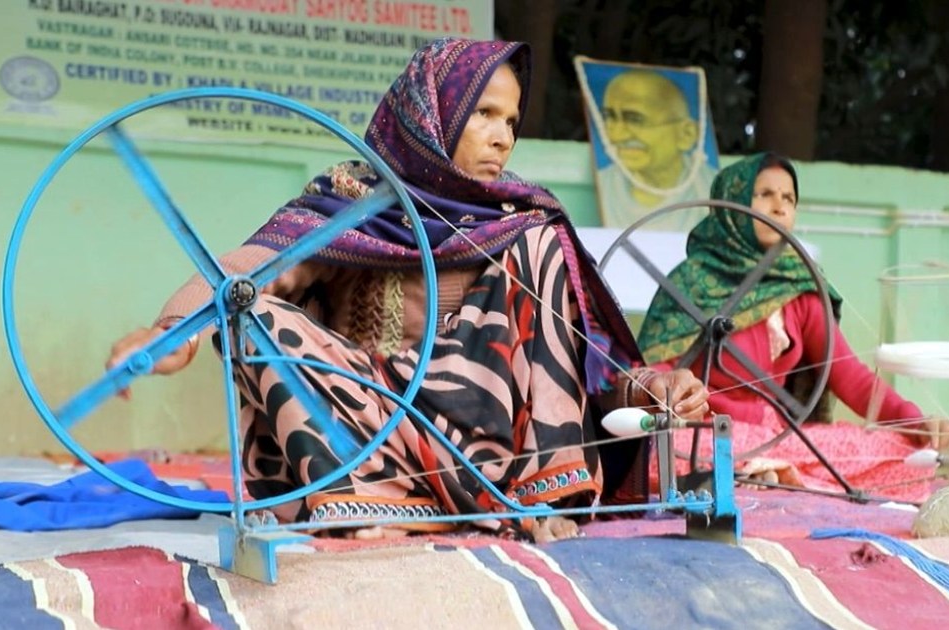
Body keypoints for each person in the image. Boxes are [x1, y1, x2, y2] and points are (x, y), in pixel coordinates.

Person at [106, 38, 709, 542]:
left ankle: (542, 493)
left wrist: (652, 388)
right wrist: (173, 334)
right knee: (250, 312)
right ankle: (375, 502)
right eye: (483, 114)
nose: (502, 137)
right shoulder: (349, 201)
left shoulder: (524, 221)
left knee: (541, 245)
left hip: (488, 457)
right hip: (366, 432)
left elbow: (587, 358)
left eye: (511, 122)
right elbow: (250, 267)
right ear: (431, 111)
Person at [636, 152, 949, 502]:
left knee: (902, 453)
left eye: (789, 198)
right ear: (733, 203)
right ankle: (766, 472)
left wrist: (915, 422)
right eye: (765, 195)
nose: (779, 207)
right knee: (653, 450)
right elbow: (655, 374)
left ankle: (764, 472)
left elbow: (852, 379)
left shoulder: (800, 288)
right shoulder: (690, 283)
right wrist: (679, 395)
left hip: (777, 436)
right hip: (703, 433)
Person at [594, 69, 718, 231]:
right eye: (610, 118)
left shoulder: (713, 190)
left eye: (635, 119)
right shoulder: (604, 185)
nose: (616, 135)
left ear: (686, 134)